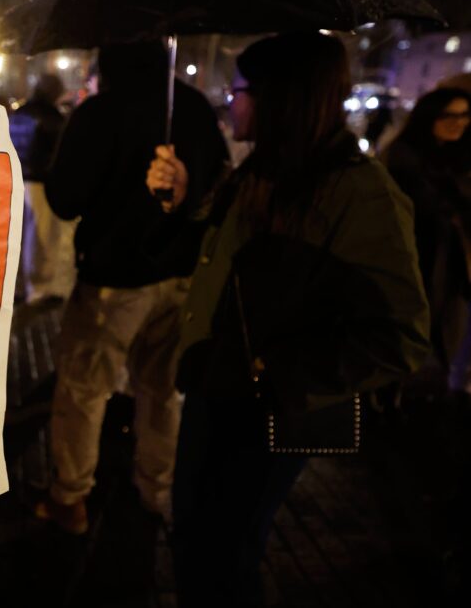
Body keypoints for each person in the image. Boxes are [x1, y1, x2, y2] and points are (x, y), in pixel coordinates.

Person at [147, 32, 430, 606]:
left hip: (269, 410)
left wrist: (270, 370)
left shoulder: (358, 191)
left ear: (282, 97)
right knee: (196, 546)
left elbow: (399, 335)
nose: (229, 99)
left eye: (240, 88)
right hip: (213, 392)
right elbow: (211, 263)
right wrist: (176, 202)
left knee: (224, 560)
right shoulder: (260, 174)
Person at [38, 42, 228, 533]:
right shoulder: (194, 107)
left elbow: (64, 198)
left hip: (112, 281)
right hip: (180, 275)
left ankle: (70, 497)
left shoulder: (99, 112)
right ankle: (156, 490)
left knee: (84, 391)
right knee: (162, 392)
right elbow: (217, 179)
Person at [384, 87, 471, 391]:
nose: (458, 122)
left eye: (464, 115)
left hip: (452, 270)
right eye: (449, 115)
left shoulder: (458, 158)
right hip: (422, 263)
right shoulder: (404, 157)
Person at [9, 73, 75, 301]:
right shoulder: (52, 118)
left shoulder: (20, 112)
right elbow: (60, 155)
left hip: (16, 180)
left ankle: (16, 286)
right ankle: (37, 290)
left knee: (18, 236)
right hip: (38, 183)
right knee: (37, 240)